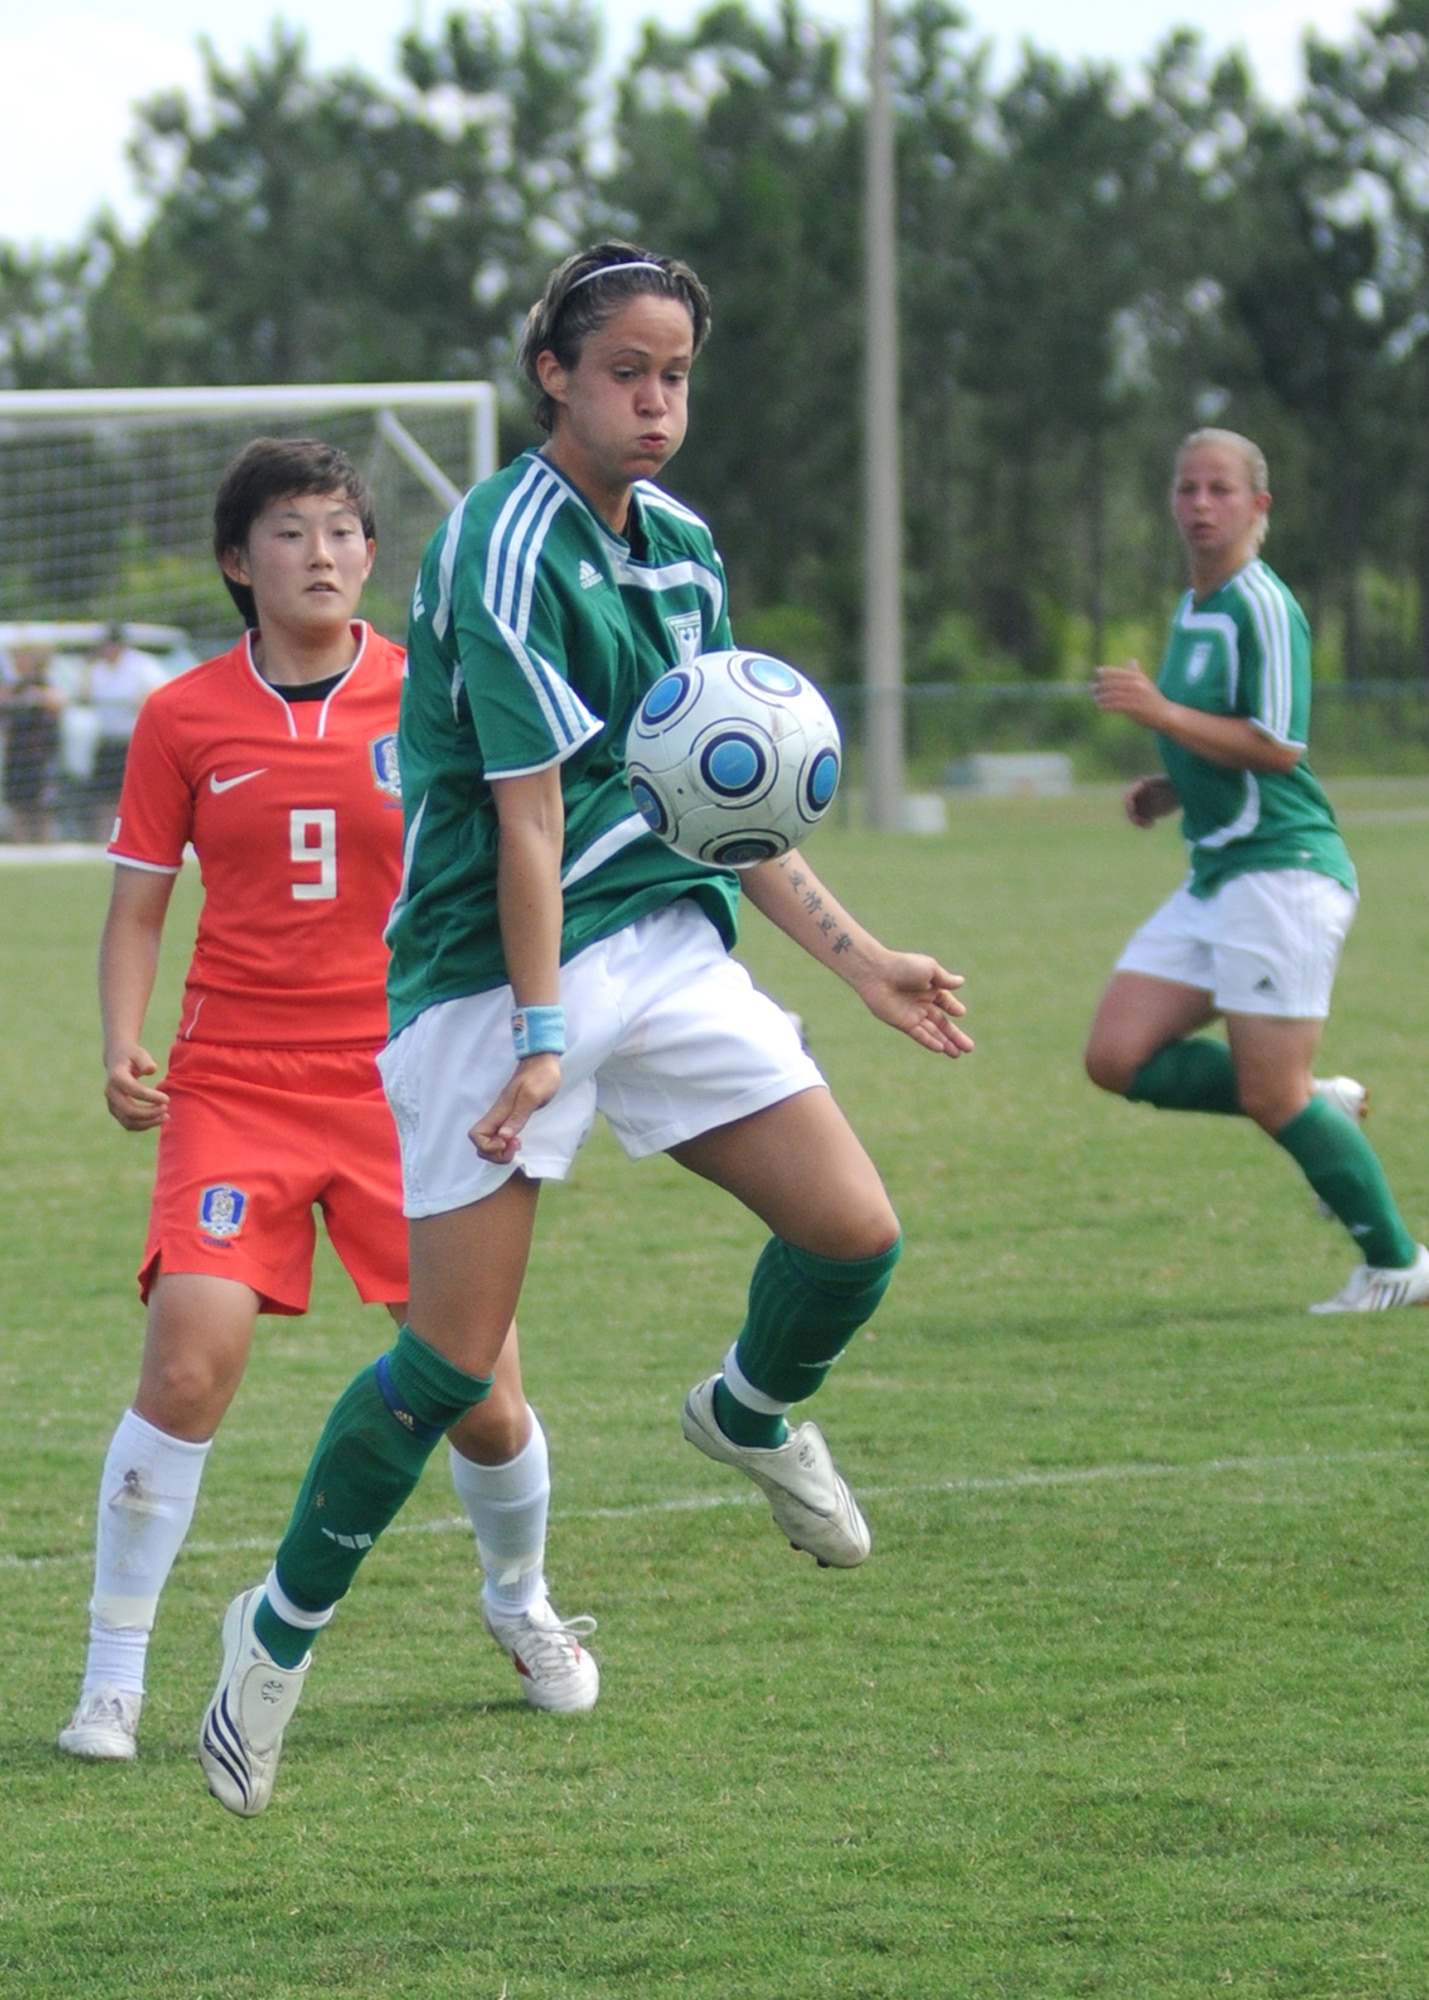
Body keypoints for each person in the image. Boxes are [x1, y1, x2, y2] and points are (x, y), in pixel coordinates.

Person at [196, 242, 974, 1818]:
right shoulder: (500, 540)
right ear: (553, 371)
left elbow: (723, 793)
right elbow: (531, 818)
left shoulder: (684, 547)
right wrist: (542, 1037)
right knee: (450, 1362)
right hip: (490, 975)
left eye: (676, 373)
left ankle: (748, 1409)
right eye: (626, 369)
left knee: (853, 1235)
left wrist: (863, 957)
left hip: (660, 942)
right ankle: (269, 1639)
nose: (655, 399)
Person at [58, 437, 595, 1768]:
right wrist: (123, 1043)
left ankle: (523, 1606)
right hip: (235, 1084)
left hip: (414, 1086)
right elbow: (137, 908)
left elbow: (530, 856)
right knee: (190, 1360)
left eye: (346, 531)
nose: (325, 554)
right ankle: (112, 1679)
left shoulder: (440, 701)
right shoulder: (182, 716)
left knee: (479, 1392)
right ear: (240, 563)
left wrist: (529, 1037)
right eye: (292, 533)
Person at [1086, 426, 1427, 1313]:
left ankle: (1398, 1264)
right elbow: (1218, 732)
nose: (1200, 505)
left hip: (1283, 871)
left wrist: (1158, 711)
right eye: (1187, 488)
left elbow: (1279, 746)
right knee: (1117, 1056)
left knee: (1269, 1091)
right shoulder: (1192, 607)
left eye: (1220, 491)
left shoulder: (1260, 604)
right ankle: (1318, 1105)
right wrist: (1171, 785)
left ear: (1257, 507)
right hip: (1218, 872)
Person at [83, 626, 167, 840]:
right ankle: (103, 838)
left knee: (135, 794)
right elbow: (86, 695)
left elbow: (158, 691)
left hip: (133, 740)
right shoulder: (98, 670)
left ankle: (135, 838)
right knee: (104, 796)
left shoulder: (141, 665)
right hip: (107, 739)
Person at [0, 643, 64, 842]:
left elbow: (57, 704)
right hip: (17, 756)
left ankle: (45, 846)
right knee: (18, 807)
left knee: (42, 808)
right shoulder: (15, 688)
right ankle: (22, 846)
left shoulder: (44, 684)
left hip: (40, 757)